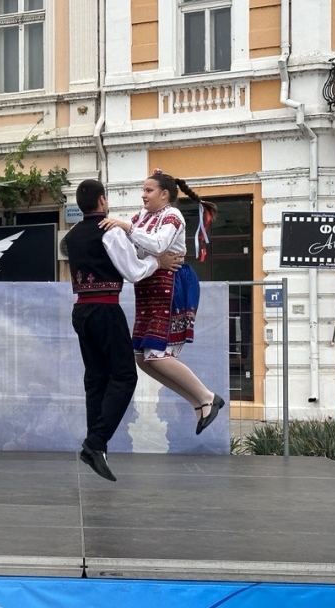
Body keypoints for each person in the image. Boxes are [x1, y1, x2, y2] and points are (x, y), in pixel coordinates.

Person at [68, 179, 183, 482]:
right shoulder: (110, 231)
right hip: (105, 309)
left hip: (80, 310)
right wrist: (158, 263)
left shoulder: (72, 235)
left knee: (95, 378)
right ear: (103, 201)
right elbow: (132, 272)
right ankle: (95, 443)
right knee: (124, 375)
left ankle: (96, 443)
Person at [99, 170, 225, 436]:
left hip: (171, 286)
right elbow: (135, 251)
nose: (143, 195)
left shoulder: (172, 216)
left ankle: (207, 396)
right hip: (147, 287)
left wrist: (125, 227)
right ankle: (199, 401)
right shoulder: (141, 217)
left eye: (148, 190)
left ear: (164, 194)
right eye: (143, 190)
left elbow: (157, 244)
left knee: (156, 355)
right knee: (142, 359)